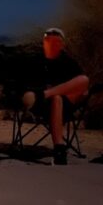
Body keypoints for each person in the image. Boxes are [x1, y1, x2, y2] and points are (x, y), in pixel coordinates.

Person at [20, 28, 90, 165]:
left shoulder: (69, 62)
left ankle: (47, 94)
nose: (52, 44)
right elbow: (27, 86)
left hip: (64, 102)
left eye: (56, 41)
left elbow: (81, 83)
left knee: (84, 80)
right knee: (56, 98)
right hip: (42, 104)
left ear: (62, 44)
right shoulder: (36, 62)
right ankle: (59, 149)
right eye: (48, 40)